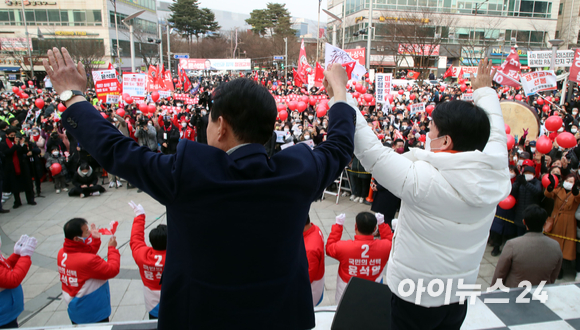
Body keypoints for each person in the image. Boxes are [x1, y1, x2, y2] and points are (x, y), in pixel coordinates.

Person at [45, 47, 354, 329]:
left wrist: (72, 95)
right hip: (282, 319)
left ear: (221, 126)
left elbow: (114, 149)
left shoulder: (186, 175)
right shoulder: (299, 173)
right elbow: (340, 144)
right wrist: (339, 89)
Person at [352, 59, 511, 329]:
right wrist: (485, 92)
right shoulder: (496, 168)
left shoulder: (421, 180)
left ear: (446, 140)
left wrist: (342, 100)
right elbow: (495, 132)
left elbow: (372, 154)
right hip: (458, 292)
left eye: (432, 130)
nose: (427, 133)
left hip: (416, 297)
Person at [57, 218, 120, 324]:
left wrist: (95, 240)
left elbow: (86, 254)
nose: (90, 232)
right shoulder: (87, 261)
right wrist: (112, 249)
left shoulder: (62, 252)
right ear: (77, 238)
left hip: (75, 309)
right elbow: (112, 270)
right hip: (92, 311)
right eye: (86, 231)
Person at [326, 212, 393, 303]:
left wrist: (338, 226)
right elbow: (393, 243)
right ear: (375, 229)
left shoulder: (344, 247)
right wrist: (382, 224)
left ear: (355, 227)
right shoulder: (385, 247)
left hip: (346, 290)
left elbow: (329, 248)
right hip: (373, 289)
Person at [491, 205, 562, 288]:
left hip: (515, 291)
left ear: (524, 222)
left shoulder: (513, 244)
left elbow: (500, 272)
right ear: (545, 223)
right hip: (541, 292)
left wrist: (493, 291)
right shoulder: (555, 246)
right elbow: (554, 274)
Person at [128, 201, 167, 319]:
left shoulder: (142, 255)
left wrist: (139, 215)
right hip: (174, 301)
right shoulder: (177, 258)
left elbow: (136, 239)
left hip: (152, 305)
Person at [544, 173, 580, 278]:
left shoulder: (575, 192)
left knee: (565, 247)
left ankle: (561, 268)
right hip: (556, 220)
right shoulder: (559, 190)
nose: (568, 183)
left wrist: (576, 192)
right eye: (567, 180)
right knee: (554, 245)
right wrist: (550, 186)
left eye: (571, 181)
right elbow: (548, 194)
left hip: (569, 222)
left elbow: (579, 199)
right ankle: (553, 267)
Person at [0, 235, 37, 329]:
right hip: (3, 319)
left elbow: (4, 271)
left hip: (6, 314)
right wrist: (25, 257)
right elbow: (12, 279)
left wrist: (17, 255)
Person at [0, 129, 36, 208]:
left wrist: (22, 144)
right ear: (7, 135)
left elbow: (24, 152)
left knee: (27, 183)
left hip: (22, 165)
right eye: (11, 136)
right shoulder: (3, 144)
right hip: (11, 167)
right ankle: (17, 201)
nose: (13, 137)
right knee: (14, 185)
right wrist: (15, 145)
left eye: (14, 135)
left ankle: (30, 199)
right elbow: (8, 153)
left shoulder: (19, 142)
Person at [510, 165, 543, 237]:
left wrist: (526, 183)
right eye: (526, 173)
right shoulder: (520, 182)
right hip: (520, 214)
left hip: (532, 214)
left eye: (530, 173)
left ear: (534, 174)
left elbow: (537, 192)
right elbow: (512, 191)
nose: (527, 175)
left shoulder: (537, 182)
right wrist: (518, 182)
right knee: (519, 235)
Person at [303, 215, 324, 306]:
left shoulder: (310, 249)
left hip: (311, 291)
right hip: (319, 281)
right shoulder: (315, 228)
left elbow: (308, 277)